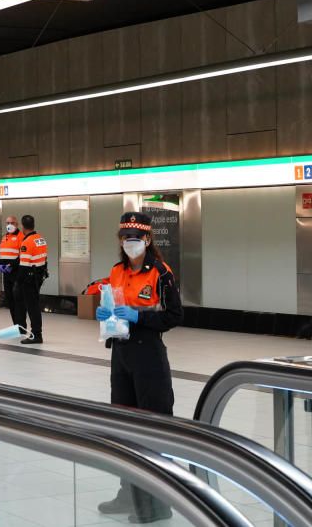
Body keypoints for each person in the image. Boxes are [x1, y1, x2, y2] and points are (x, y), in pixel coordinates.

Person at [86, 212, 183, 523]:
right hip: (121, 354)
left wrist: (140, 317)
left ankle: (158, 502)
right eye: (125, 237)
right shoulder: (116, 271)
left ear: (147, 239)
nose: (130, 242)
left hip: (149, 355)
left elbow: (174, 316)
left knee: (153, 426)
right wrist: (107, 314)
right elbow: (113, 305)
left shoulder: (160, 273)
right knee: (123, 426)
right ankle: (128, 494)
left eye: (136, 237)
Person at [14, 214, 47, 344]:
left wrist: (17, 283)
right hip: (38, 277)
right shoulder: (41, 239)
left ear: (23, 226)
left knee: (32, 308)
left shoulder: (26, 242)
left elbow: (23, 266)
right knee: (35, 306)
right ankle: (37, 333)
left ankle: (36, 335)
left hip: (29, 279)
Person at [0, 215, 23, 311]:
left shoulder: (21, 237)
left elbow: (22, 256)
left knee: (17, 300)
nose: (9, 225)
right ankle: (15, 323)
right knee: (10, 300)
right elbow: (0, 252)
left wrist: (11, 265)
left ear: (17, 224)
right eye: (7, 223)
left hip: (16, 273)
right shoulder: (4, 237)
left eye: (12, 223)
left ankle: (19, 324)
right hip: (6, 273)